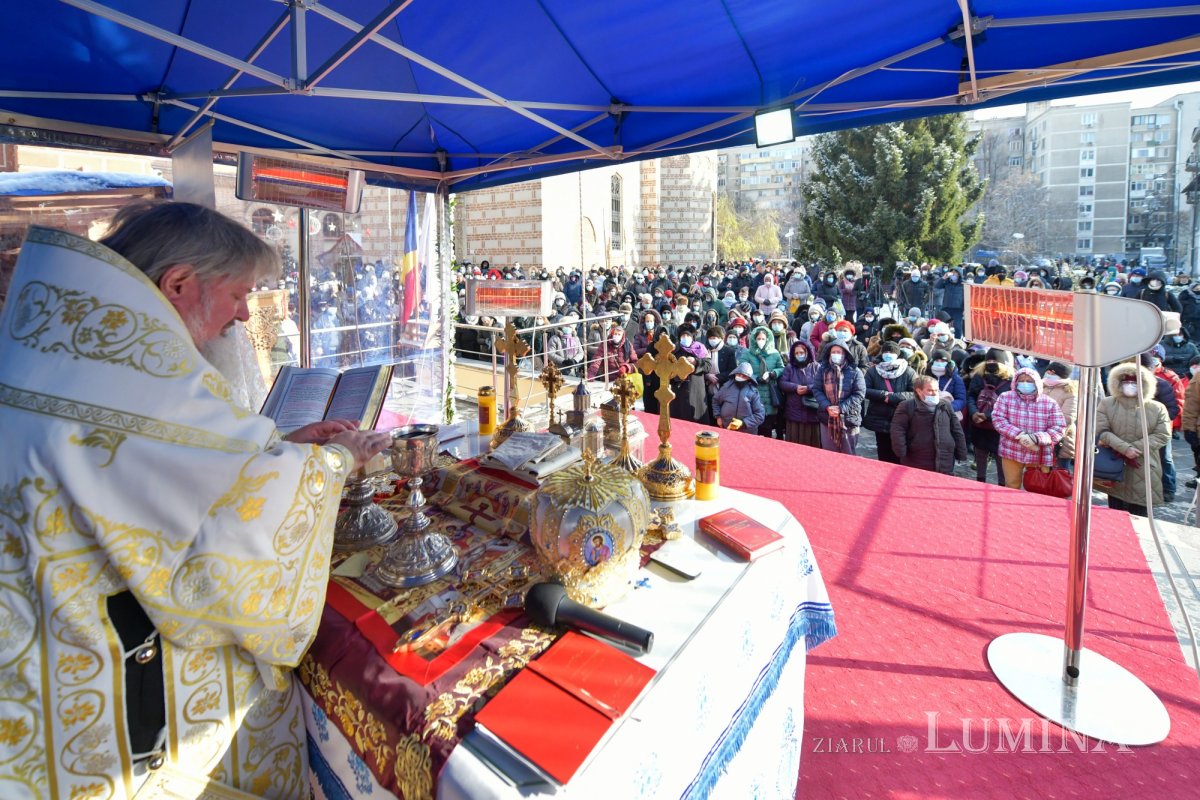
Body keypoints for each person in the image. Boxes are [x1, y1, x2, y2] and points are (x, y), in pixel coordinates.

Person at [0, 203, 392, 798]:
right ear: (179, 284)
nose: (244, 313)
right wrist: (337, 460)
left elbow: (155, 473)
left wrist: (281, 447)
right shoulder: (134, 372)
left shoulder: (72, 349)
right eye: (238, 294)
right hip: (118, 702)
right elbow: (225, 538)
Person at [1097, 363, 1171, 516]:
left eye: (1134, 383)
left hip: (1144, 464)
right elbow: (1101, 430)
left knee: (1140, 514)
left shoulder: (1157, 408)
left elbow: (1162, 434)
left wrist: (1135, 448)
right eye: (1126, 382)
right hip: (1114, 463)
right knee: (1115, 512)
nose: (1130, 386)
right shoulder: (1107, 404)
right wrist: (1124, 448)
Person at [991, 367, 1067, 491]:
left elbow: (1059, 428)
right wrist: (1019, 435)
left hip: (1039, 454)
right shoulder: (1005, 397)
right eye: (1021, 380)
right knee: (1011, 486)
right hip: (1011, 450)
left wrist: (1035, 438)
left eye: (1029, 381)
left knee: (1037, 489)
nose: (1025, 383)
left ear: (1036, 382)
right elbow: (998, 419)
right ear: (1015, 382)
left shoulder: (1049, 403)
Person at [890, 375, 967, 474]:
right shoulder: (906, 406)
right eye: (930, 390)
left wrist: (961, 452)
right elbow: (898, 430)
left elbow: (956, 429)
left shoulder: (945, 405)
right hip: (917, 459)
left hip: (945, 460)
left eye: (936, 390)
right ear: (919, 391)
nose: (934, 393)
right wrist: (901, 451)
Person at [864, 342, 916, 463]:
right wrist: (883, 395)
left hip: (900, 417)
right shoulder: (873, 371)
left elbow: (914, 392)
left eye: (891, 352)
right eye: (886, 351)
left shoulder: (908, 371)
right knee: (883, 449)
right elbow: (865, 390)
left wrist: (893, 397)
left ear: (897, 354)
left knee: (898, 449)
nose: (888, 354)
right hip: (879, 416)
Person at [967, 349, 1014, 485]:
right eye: (989, 360)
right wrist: (973, 412)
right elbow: (971, 395)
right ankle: (980, 482)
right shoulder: (979, 376)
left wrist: (987, 416)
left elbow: (1010, 404)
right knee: (980, 455)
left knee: (1001, 459)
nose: (991, 363)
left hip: (1000, 427)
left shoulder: (1011, 380)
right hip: (979, 424)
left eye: (995, 361)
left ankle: (1001, 486)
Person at [812, 341, 866, 455]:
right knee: (829, 454)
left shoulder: (855, 371)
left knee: (848, 454)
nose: (836, 354)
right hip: (827, 418)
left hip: (848, 419)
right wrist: (827, 406)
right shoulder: (822, 369)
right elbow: (816, 389)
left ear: (845, 354)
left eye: (839, 352)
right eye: (833, 352)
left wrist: (841, 408)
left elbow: (859, 394)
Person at [738, 325, 786, 438]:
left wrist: (773, 373)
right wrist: (756, 378)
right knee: (753, 426)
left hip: (769, 392)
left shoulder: (775, 353)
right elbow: (742, 369)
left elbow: (781, 368)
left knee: (767, 426)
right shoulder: (747, 353)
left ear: (768, 339)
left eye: (763, 339)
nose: (761, 341)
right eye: (758, 338)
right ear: (754, 339)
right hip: (752, 390)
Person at [779, 340, 822, 447]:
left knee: (812, 444)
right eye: (796, 353)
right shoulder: (790, 368)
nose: (799, 355)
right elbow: (782, 383)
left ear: (807, 352)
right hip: (794, 409)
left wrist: (808, 388)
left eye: (801, 353)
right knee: (794, 443)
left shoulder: (816, 367)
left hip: (812, 410)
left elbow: (822, 384)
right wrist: (795, 387)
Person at [669, 324, 712, 423]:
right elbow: (669, 369)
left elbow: (708, 366)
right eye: (683, 336)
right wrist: (678, 373)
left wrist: (696, 361)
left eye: (688, 336)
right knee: (680, 418)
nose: (685, 338)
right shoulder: (674, 350)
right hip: (679, 389)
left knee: (697, 418)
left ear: (692, 337)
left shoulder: (700, 349)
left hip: (696, 389)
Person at [1041, 362, 1078, 473]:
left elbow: (1067, 418)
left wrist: (1048, 431)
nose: (1048, 374)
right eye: (1048, 371)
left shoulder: (1070, 391)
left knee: (1060, 475)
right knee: (1040, 475)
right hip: (1040, 436)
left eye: (1052, 372)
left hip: (1061, 440)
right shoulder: (1041, 386)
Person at [711, 362, 766, 434]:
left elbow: (760, 415)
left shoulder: (753, 392)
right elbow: (715, 401)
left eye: (744, 376)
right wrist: (718, 416)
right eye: (739, 374)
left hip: (747, 432)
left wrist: (743, 423)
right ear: (735, 374)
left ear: (749, 378)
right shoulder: (726, 387)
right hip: (726, 429)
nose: (740, 377)